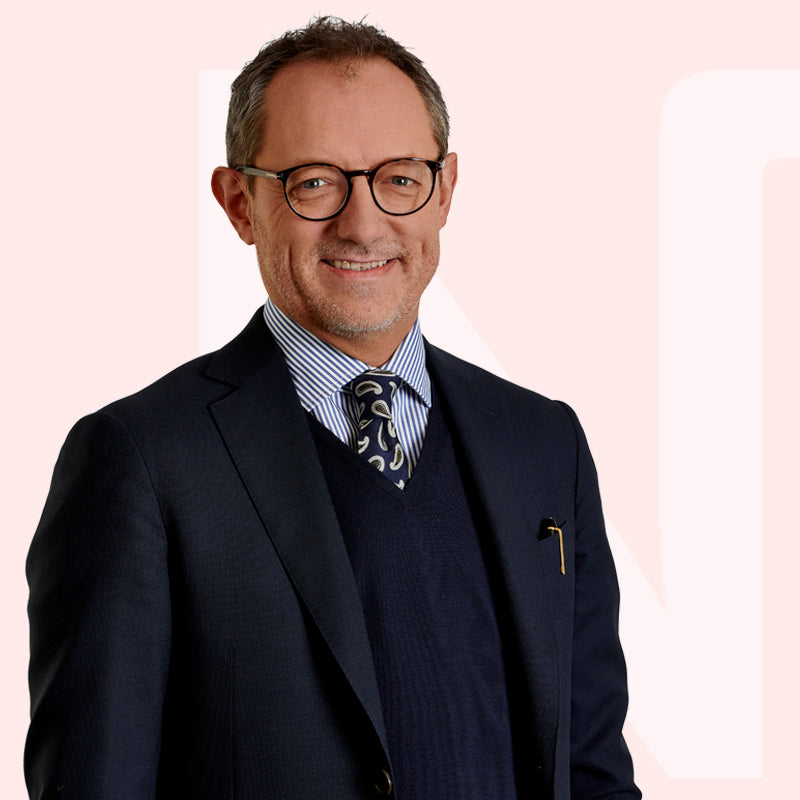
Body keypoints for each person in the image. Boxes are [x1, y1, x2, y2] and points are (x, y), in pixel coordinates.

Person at [25, 17, 640, 800]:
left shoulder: (542, 443)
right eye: (314, 181)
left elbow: (590, 769)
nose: (363, 223)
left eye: (400, 178)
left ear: (445, 190)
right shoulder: (142, 461)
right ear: (240, 203)